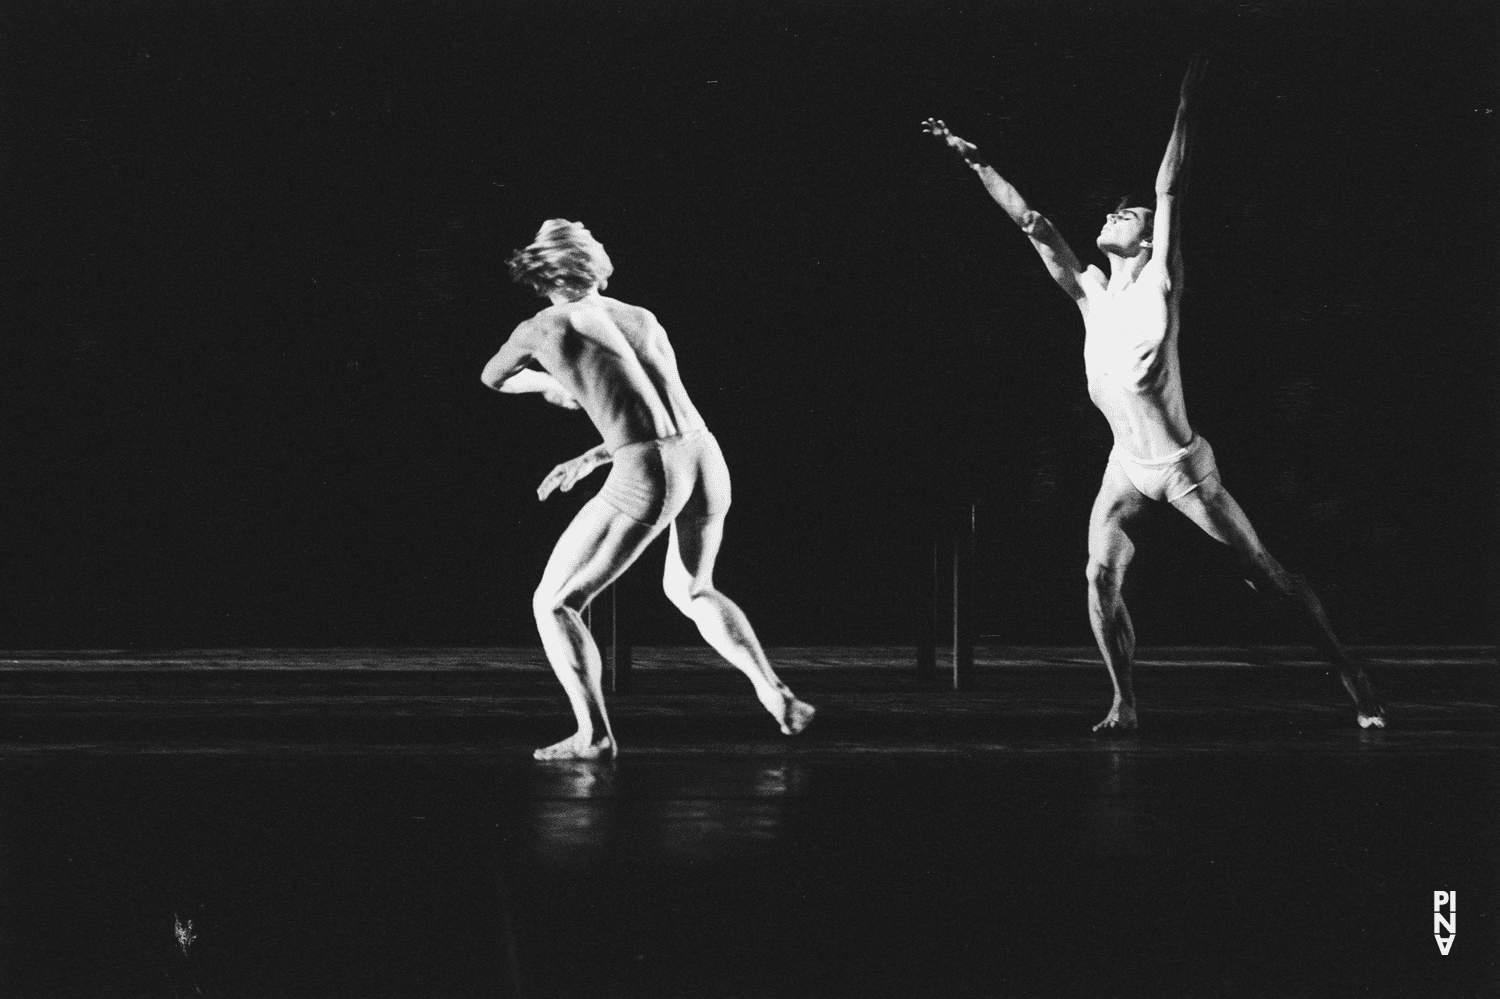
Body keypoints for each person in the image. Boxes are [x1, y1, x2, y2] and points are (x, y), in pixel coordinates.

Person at [923, 60, 1384, 730]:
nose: (1115, 212)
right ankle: (1125, 700)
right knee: (1097, 577)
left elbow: (1170, 188)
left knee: (1266, 578)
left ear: (1145, 238)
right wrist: (976, 161)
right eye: (1114, 209)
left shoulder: (1159, 284)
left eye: (1126, 212)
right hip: (1125, 466)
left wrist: (1187, 102)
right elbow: (1031, 222)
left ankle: (1344, 663)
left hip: (1181, 467)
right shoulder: (1090, 293)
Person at [481, 219, 816, 760]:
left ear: (538, 268)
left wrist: (548, 383)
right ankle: (777, 694)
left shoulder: (541, 328)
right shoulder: (640, 317)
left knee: (555, 603)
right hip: (705, 456)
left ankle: (594, 735)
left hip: (649, 467)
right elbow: (658, 416)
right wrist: (593, 452)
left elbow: (492, 378)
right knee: (692, 587)